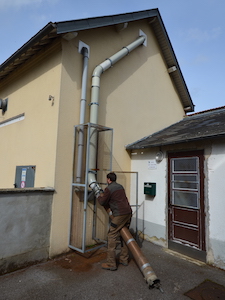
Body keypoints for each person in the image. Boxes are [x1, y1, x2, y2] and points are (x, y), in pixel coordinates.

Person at [98, 172, 132, 271]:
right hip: (128, 212)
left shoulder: (108, 188)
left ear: (108, 179)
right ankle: (124, 259)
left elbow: (102, 202)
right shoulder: (120, 186)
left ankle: (111, 264)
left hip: (120, 214)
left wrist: (99, 196)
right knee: (125, 236)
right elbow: (117, 198)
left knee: (111, 235)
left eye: (106, 179)